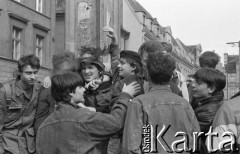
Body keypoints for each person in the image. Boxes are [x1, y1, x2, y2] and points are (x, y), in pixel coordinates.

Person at [36, 71, 141, 154]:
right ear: (70, 92)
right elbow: (116, 122)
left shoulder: (44, 126)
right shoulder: (84, 117)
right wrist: (125, 96)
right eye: (80, 87)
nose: (84, 90)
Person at [122, 52, 200, 153]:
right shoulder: (185, 104)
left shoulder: (138, 103)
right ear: (171, 75)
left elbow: (131, 147)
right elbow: (195, 140)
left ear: (147, 74)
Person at [0, 55, 41, 154]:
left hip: (30, 145)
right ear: (19, 72)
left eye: (35, 73)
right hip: (8, 145)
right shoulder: (6, 91)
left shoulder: (39, 89)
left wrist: (49, 77)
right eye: (28, 73)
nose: (33, 77)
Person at [34, 52, 77, 131]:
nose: (67, 75)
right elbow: (40, 119)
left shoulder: (75, 87)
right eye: (64, 72)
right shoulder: (48, 90)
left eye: (70, 72)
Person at [191, 68, 226, 153]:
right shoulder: (206, 103)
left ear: (211, 89)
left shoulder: (208, 111)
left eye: (198, 83)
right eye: (194, 81)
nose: (193, 85)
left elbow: (190, 132)